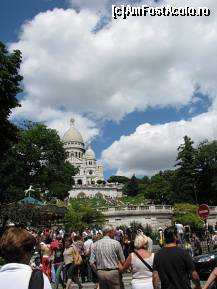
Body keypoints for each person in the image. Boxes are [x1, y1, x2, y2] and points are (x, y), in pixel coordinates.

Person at [90, 224, 125, 289]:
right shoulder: (116, 243)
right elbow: (123, 261)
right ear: (109, 232)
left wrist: (97, 272)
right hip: (113, 272)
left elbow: (91, 262)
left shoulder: (95, 244)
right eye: (114, 232)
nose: (115, 234)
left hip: (101, 273)